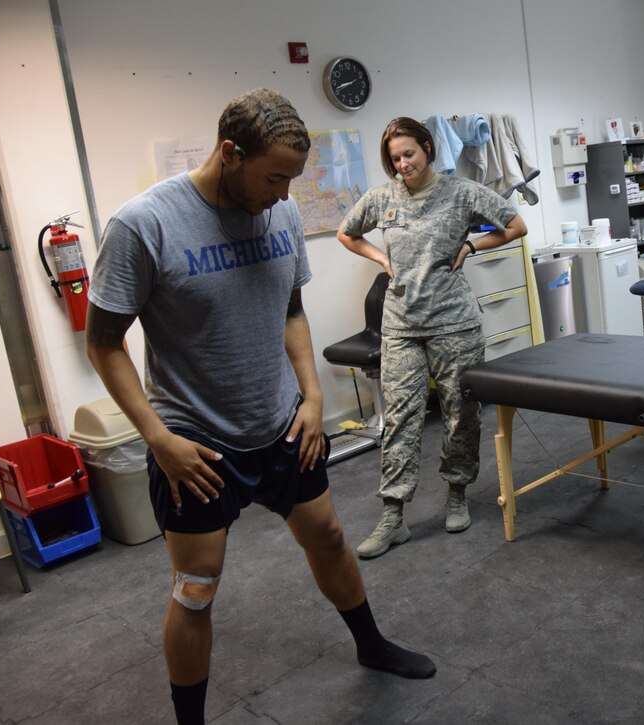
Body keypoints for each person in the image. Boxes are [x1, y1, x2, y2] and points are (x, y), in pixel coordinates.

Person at [85, 89, 435, 725]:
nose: (284, 194)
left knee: (328, 535)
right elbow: (103, 345)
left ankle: (370, 644)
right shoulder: (143, 224)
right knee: (197, 589)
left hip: (281, 423)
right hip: (195, 441)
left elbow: (292, 311)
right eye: (274, 177)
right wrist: (158, 440)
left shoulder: (280, 213)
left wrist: (313, 396)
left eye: (292, 179)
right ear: (229, 153)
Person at [337, 117, 527, 559]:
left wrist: (472, 246)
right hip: (401, 324)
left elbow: (515, 226)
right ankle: (393, 514)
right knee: (401, 417)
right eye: (394, 158)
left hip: (454, 323)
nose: (402, 164)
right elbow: (348, 233)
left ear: (427, 148)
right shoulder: (383, 197)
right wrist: (380, 257)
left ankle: (457, 492)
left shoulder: (461, 192)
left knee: (461, 412)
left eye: (409, 154)